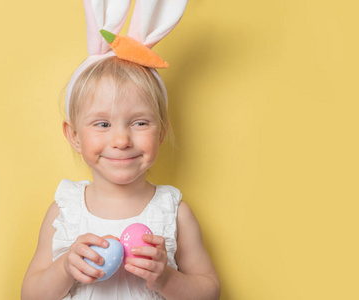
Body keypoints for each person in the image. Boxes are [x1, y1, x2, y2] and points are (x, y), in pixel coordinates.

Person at [21, 1, 220, 299]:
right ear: (74, 136)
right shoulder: (65, 209)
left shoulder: (175, 212)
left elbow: (210, 292)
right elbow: (29, 294)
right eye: (102, 124)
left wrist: (165, 278)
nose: (121, 140)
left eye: (139, 123)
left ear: (161, 132)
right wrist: (64, 268)